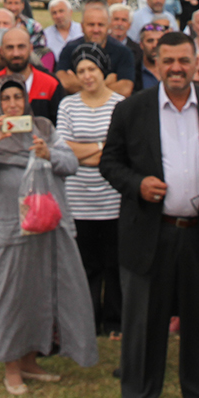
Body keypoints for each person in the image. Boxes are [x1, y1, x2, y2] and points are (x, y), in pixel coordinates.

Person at [99, 32, 199, 398]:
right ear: (155, 62)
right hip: (149, 234)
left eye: (184, 60)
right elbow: (109, 162)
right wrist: (137, 183)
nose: (177, 68)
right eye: (169, 61)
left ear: (197, 61)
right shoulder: (132, 109)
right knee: (144, 325)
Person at [0, 78, 97, 394]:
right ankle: (11, 366)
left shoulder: (44, 128)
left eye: (17, 97)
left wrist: (48, 153)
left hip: (45, 227)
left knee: (39, 295)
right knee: (11, 297)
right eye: (6, 98)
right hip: (8, 231)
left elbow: (71, 164)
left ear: (26, 100)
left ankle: (30, 359)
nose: (12, 104)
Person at [53, 42, 124, 338]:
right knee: (85, 265)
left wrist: (89, 153)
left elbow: (119, 149)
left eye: (91, 69)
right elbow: (63, 147)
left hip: (112, 199)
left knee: (114, 265)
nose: (86, 75)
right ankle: (88, 318)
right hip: (78, 198)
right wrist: (99, 149)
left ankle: (115, 321)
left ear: (102, 70)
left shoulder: (120, 104)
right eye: (80, 70)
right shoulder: (68, 105)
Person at [57, 0, 136, 98]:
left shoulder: (123, 52)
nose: (96, 30)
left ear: (108, 26)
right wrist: (106, 84)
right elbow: (63, 82)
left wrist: (78, 83)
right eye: (91, 25)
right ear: (82, 27)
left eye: (101, 25)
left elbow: (125, 89)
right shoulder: (70, 49)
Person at [41, 0, 81, 66]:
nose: (58, 16)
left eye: (61, 11)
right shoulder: (45, 35)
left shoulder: (81, 31)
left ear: (70, 12)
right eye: (54, 13)